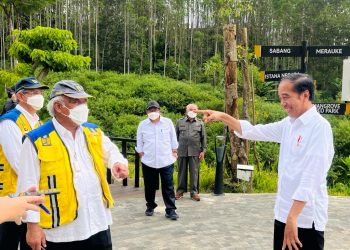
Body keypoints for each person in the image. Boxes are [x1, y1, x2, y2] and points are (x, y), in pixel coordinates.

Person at [199, 73, 334, 250]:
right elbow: (254, 131)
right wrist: (223, 116)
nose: (282, 103)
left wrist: (293, 217)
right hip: (284, 214)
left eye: (286, 97)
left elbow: (311, 177)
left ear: (305, 95)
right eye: (280, 98)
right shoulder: (289, 124)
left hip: (305, 220)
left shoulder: (319, 127)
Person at [16, 80, 128, 250]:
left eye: (84, 101)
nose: (83, 106)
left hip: (97, 223)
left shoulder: (92, 131)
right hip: (60, 231)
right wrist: (32, 226)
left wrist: (117, 162)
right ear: (59, 107)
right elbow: (27, 187)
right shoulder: (36, 140)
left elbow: (111, 151)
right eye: (75, 101)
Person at [0, 77, 49, 250]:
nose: (40, 96)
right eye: (34, 92)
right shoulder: (10, 122)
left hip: (31, 196)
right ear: (21, 96)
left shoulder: (37, 121)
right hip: (11, 197)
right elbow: (19, 164)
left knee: (32, 243)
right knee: (8, 242)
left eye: (41, 92)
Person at [136, 100, 179, 220]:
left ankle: (170, 210)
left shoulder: (168, 122)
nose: (153, 111)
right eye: (150, 110)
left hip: (166, 160)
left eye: (155, 109)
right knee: (149, 186)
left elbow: (173, 138)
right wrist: (140, 153)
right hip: (148, 161)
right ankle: (150, 206)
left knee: (168, 186)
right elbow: (139, 140)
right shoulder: (142, 125)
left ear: (159, 110)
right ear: (147, 112)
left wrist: (175, 151)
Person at [175, 103, 207, 201]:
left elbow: (203, 138)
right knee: (181, 171)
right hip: (181, 151)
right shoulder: (179, 122)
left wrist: (203, 151)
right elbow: (175, 137)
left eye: (194, 109)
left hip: (195, 151)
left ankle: (194, 192)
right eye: (190, 109)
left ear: (197, 111)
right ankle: (180, 191)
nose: (192, 111)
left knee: (194, 172)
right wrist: (174, 150)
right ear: (186, 110)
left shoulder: (200, 123)